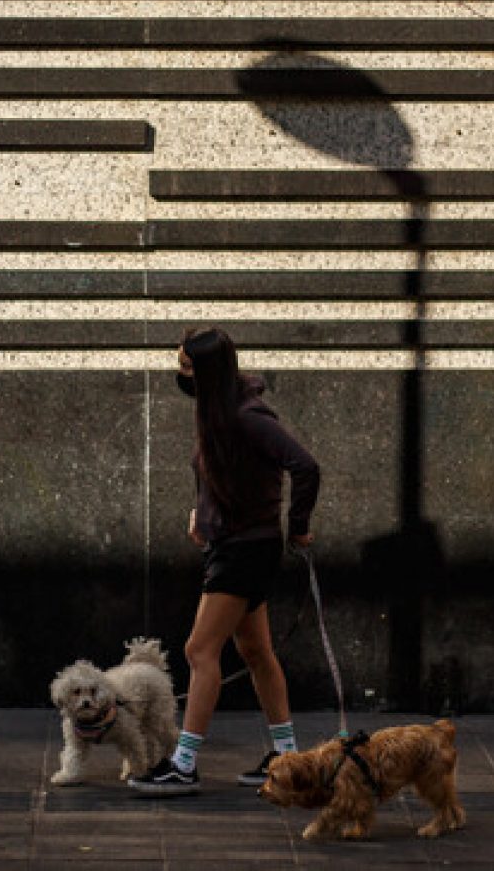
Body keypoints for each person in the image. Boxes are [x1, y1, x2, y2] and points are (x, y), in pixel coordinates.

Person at [129, 327, 320, 796]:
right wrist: (204, 514)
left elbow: (305, 466)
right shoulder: (218, 412)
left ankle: (184, 763)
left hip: (244, 551)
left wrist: (297, 525)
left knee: (200, 651)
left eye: (185, 365)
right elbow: (224, 474)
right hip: (235, 543)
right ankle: (286, 757)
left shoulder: (247, 416)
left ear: (207, 372)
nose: (179, 373)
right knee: (256, 652)